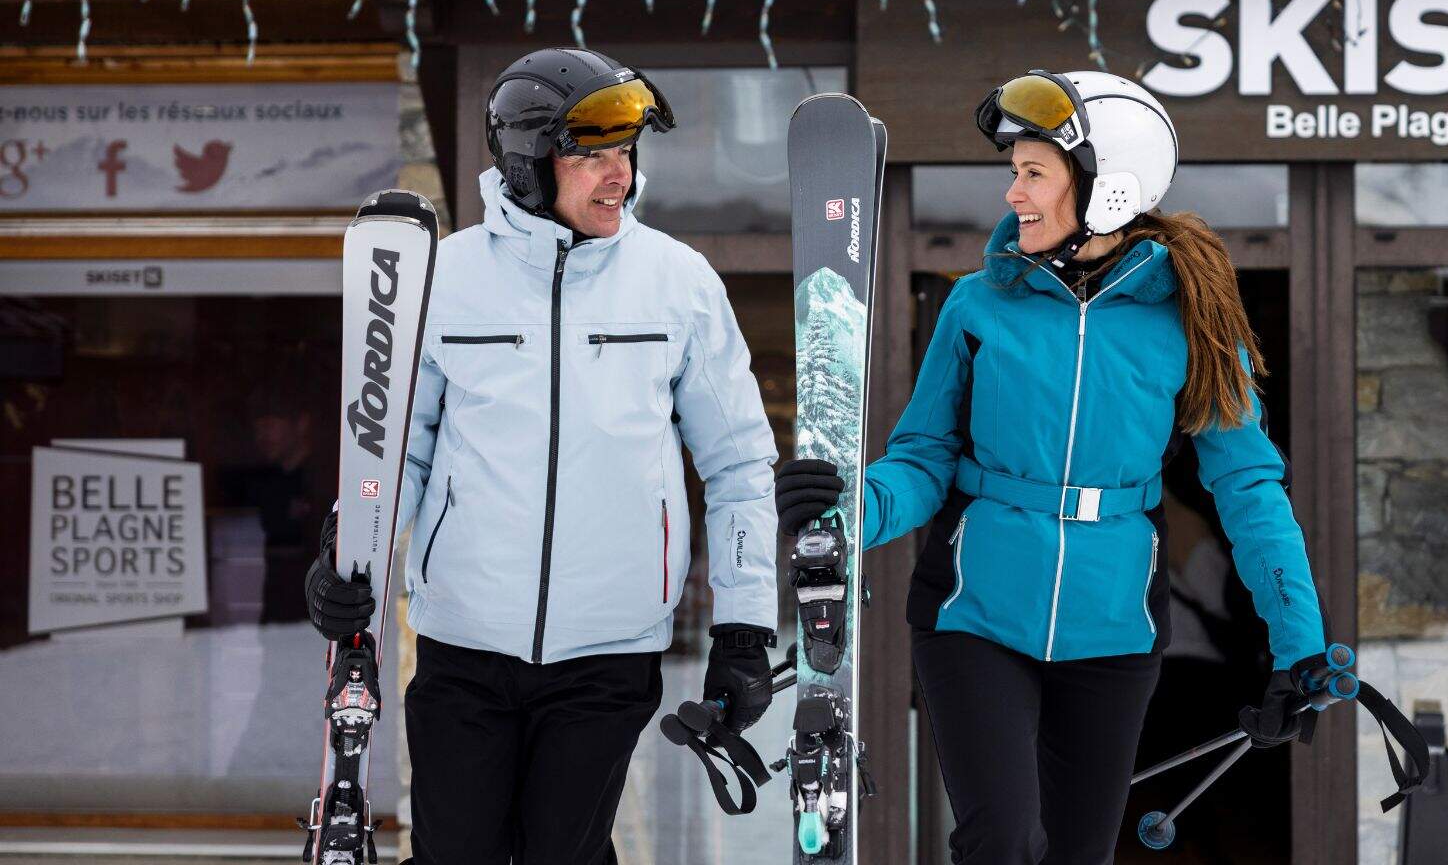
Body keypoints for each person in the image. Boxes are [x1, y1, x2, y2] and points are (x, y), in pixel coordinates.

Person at [775, 70, 1331, 864]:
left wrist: (1298, 644)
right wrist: (849, 510)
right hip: (974, 615)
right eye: (1015, 172)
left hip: (1114, 627)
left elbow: (1248, 489)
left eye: (1034, 173)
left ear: (1109, 188)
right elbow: (924, 459)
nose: (1014, 194)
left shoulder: (1192, 323)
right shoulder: (977, 305)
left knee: (1079, 853)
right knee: (1000, 838)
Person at [305, 48, 781, 865]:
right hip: (465, 645)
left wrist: (743, 629)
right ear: (528, 163)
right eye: (591, 155)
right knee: (456, 853)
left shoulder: (679, 283)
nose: (619, 175)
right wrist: (348, 558)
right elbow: (395, 454)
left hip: (609, 650)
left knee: (565, 851)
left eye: (626, 151)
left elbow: (738, 467)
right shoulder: (446, 279)